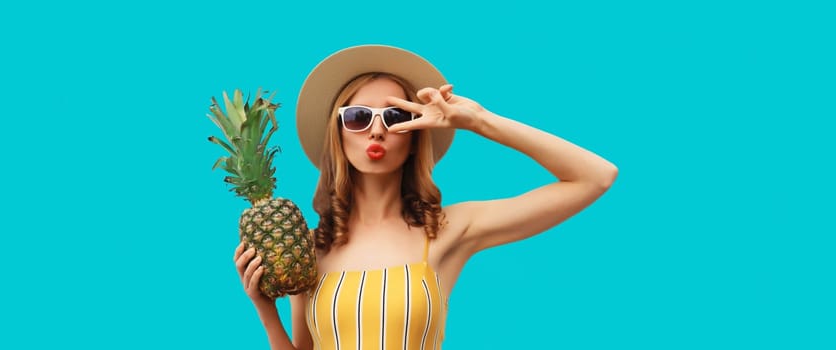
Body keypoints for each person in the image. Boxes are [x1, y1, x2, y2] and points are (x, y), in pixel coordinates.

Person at [233, 45, 618, 350]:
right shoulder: (311, 248)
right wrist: (266, 312)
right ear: (339, 134)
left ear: (416, 136)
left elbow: (595, 177)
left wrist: (480, 120)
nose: (377, 131)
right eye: (358, 117)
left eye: (396, 117)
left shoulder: (448, 231)